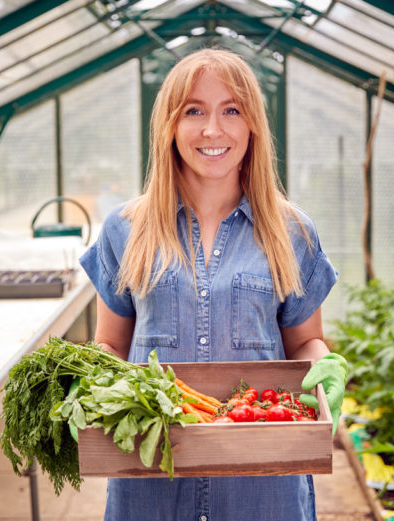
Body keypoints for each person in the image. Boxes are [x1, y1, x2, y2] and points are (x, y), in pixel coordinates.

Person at [80, 48, 347, 521]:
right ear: (169, 126)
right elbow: (110, 344)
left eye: (231, 111)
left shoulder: (292, 232)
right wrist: (89, 377)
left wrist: (323, 364)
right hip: (152, 477)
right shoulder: (126, 229)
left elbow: (304, 341)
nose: (212, 130)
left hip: (263, 485)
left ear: (252, 126)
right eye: (194, 112)